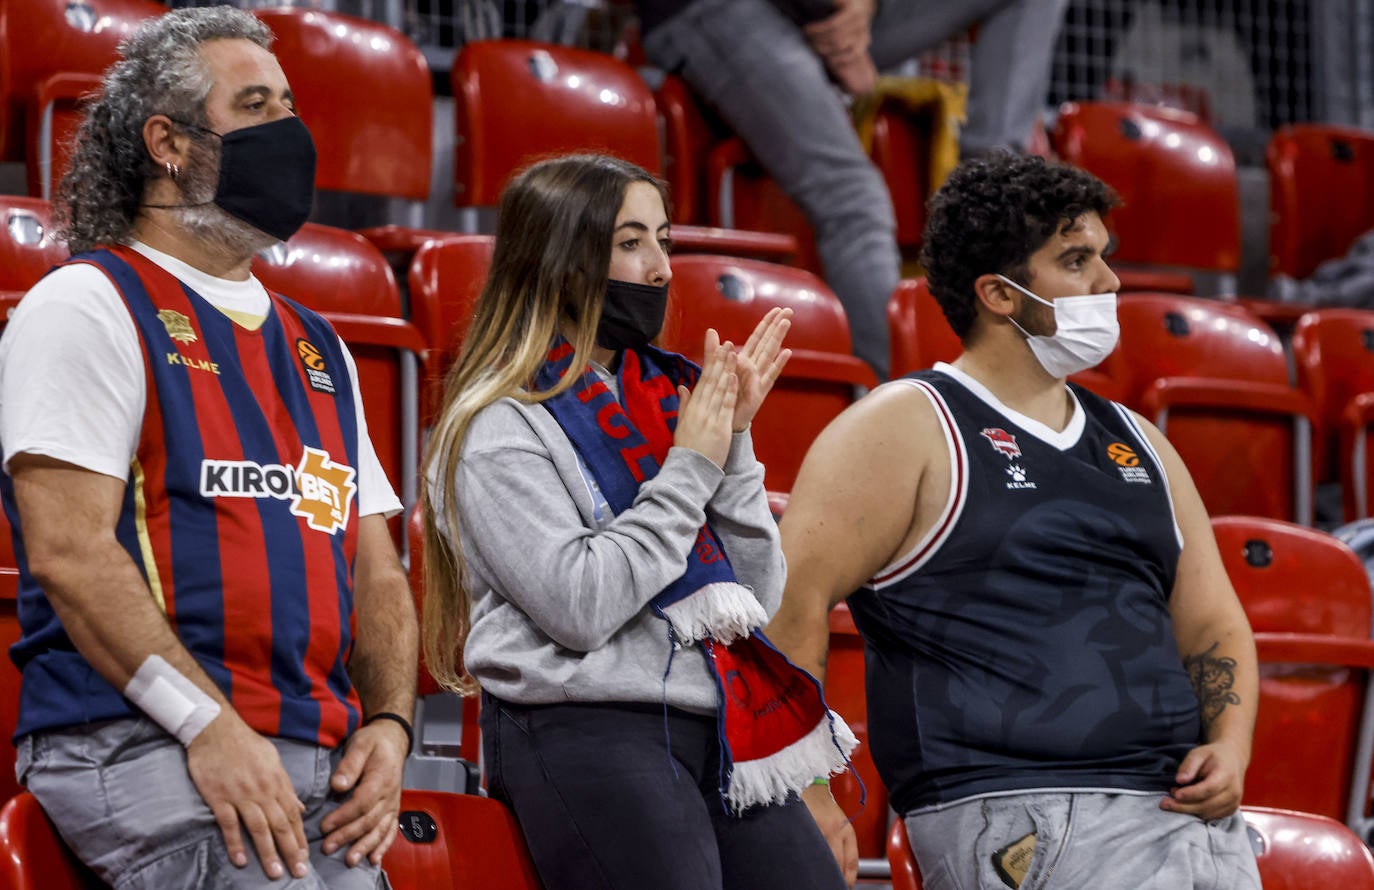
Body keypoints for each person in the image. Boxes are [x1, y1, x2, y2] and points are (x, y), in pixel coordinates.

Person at [0, 7, 416, 888]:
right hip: (143, 739)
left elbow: (375, 567)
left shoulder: (321, 345)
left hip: (320, 754)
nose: (288, 132)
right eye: (256, 106)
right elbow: (70, 553)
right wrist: (207, 724)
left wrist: (391, 722)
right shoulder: (86, 304)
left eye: (290, 106)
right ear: (168, 143)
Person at [766, 152, 1262, 887]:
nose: (1109, 282)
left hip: (1189, 816)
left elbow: (1214, 622)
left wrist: (1231, 744)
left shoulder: (1139, 439)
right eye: (1076, 260)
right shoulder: (907, 424)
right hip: (1023, 815)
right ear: (999, 294)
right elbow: (788, 601)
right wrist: (807, 790)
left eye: (1105, 256)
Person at [421, 152, 855, 890]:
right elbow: (580, 606)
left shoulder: (669, 398)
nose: (660, 269)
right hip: (581, 723)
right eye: (630, 243)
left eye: (664, 240)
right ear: (561, 263)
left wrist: (733, 446)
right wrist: (691, 465)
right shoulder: (497, 425)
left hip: (716, 719)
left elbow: (757, 596)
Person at [633, 0, 1071, 379]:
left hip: (830, 13)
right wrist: (827, 14)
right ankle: (904, 397)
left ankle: (994, 186)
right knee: (854, 199)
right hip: (723, 9)